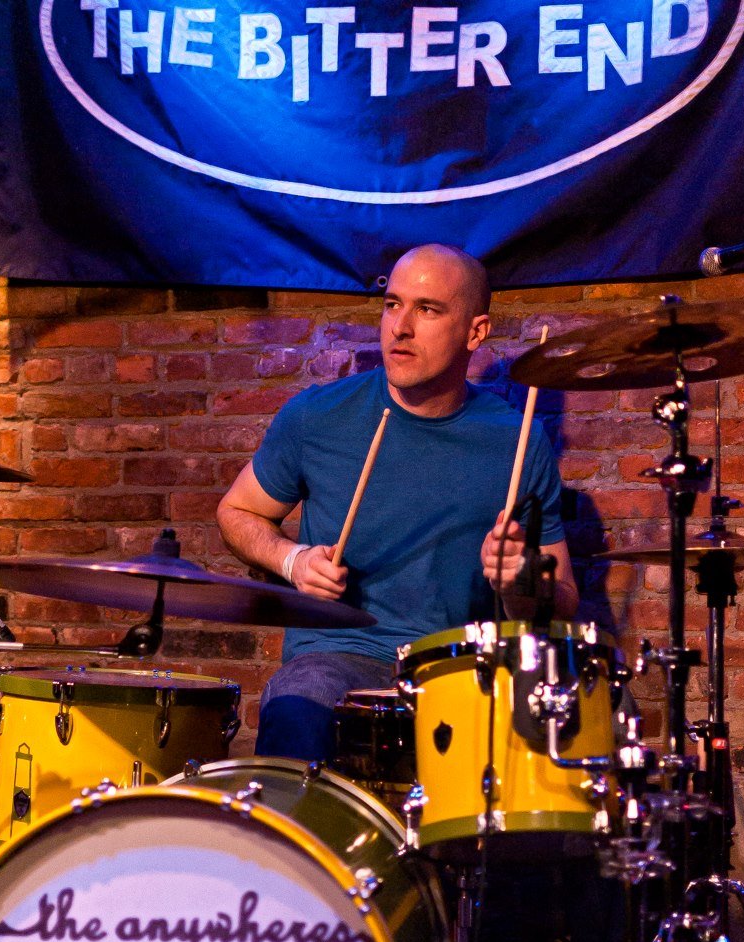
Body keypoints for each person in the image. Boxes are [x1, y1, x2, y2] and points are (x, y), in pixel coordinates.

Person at [217, 244, 579, 761]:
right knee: (300, 701)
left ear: (475, 332)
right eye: (392, 305)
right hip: (339, 657)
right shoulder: (318, 416)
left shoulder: (517, 441)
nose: (400, 328)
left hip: (460, 668)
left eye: (427, 309)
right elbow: (237, 512)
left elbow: (564, 599)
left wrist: (521, 581)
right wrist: (292, 561)